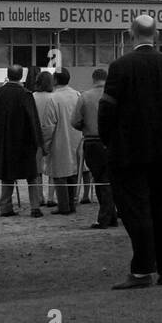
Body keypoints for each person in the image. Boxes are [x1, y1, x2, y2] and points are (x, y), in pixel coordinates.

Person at [99, 15, 162, 288]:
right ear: (158, 34)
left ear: (131, 35)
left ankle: (142, 269)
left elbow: (107, 110)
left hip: (130, 153)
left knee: (136, 210)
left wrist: (110, 140)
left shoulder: (120, 67)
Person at [0, 65, 45, 216]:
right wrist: (39, 143)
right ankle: (35, 208)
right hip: (25, 142)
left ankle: (5, 207)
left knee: (6, 174)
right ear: (21, 76)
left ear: (7, 75)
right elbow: (33, 121)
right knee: (32, 175)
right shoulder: (26, 95)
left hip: (3, 142)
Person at [73, 67, 117, 228]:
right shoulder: (115, 95)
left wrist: (86, 126)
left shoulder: (85, 96)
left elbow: (75, 121)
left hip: (92, 143)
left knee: (100, 180)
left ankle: (104, 218)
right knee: (111, 179)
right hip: (113, 143)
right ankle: (111, 215)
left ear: (93, 79)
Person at [40, 67, 84, 214]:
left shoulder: (53, 98)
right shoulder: (77, 94)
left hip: (59, 141)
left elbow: (48, 126)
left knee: (59, 174)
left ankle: (64, 206)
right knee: (73, 173)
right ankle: (72, 204)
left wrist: (45, 144)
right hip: (76, 139)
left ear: (55, 80)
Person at [32, 71, 57, 207]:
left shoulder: (32, 97)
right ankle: (51, 197)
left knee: (37, 169)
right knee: (52, 168)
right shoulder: (53, 98)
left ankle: (39, 196)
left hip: (35, 136)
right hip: (52, 134)